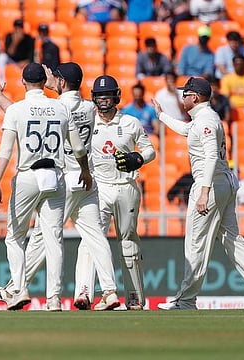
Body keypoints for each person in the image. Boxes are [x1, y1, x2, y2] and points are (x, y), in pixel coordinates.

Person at [0, 62, 120, 311]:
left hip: (58, 176)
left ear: (60, 82)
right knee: (92, 237)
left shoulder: (59, 106)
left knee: (36, 237)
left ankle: (17, 287)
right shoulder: (88, 107)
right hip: (84, 176)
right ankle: (107, 292)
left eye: (56, 78)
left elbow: (18, 113)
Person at [153, 77, 244, 310]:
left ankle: (185, 300)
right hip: (222, 183)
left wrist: (204, 192)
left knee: (195, 243)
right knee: (232, 241)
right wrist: (162, 116)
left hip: (211, 185)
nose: (182, 98)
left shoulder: (205, 121)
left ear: (194, 97)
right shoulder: (204, 118)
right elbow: (187, 130)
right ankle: (186, 299)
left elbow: (211, 156)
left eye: (185, 94)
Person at [89, 74, 156, 310]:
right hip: (99, 189)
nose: (104, 100)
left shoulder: (130, 123)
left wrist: (137, 158)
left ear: (116, 96)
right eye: (99, 95)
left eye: (108, 95)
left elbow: (150, 151)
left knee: (127, 241)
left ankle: (135, 298)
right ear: (94, 98)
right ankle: (90, 295)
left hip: (126, 187)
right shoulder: (89, 123)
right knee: (94, 240)